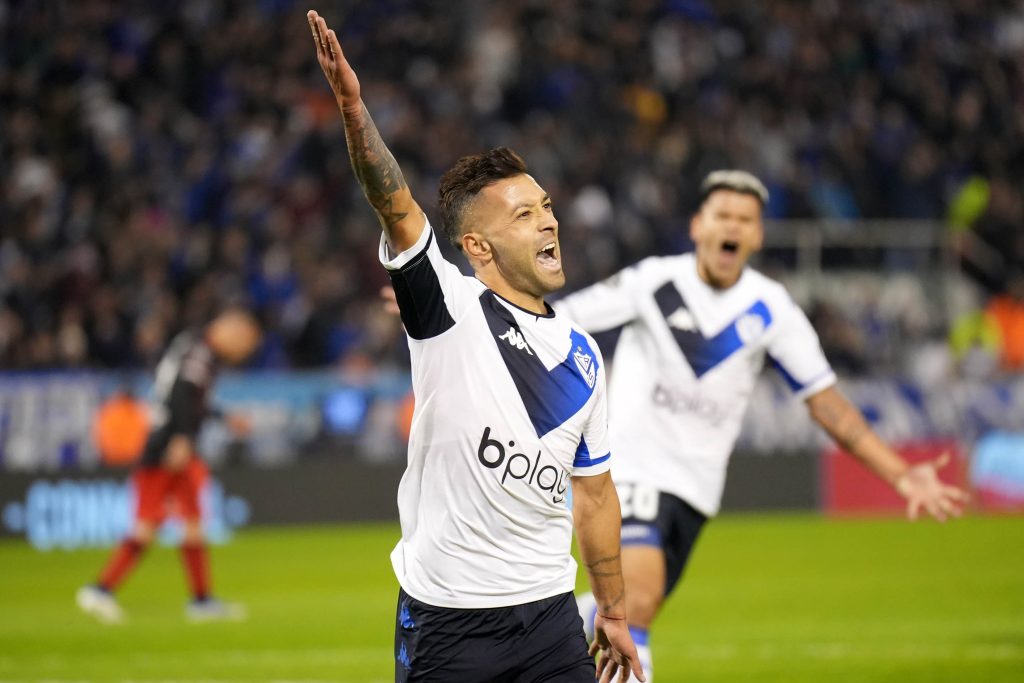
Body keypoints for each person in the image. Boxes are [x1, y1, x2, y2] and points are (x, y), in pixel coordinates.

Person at [306, 10, 643, 683]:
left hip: (550, 619)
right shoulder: (451, 309)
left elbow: (596, 494)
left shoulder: (582, 354)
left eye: (546, 206)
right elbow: (395, 204)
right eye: (524, 215)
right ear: (478, 247)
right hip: (447, 623)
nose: (548, 222)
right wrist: (352, 107)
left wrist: (612, 609)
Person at [558, 170, 971, 682]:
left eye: (745, 219)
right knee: (634, 604)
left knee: (623, 606)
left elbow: (826, 403)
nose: (732, 226)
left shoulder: (771, 308)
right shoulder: (653, 281)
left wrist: (901, 474)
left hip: (695, 491)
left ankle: (550, 633)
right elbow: (560, 318)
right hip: (631, 470)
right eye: (722, 215)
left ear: (756, 235)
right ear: (698, 226)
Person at [76, 308, 261, 623]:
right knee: (147, 526)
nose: (242, 353)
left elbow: (188, 398)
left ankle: (201, 600)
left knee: (192, 522)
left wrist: (223, 418)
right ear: (231, 330)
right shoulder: (200, 352)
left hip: (173, 443)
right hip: (165, 448)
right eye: (244, 345)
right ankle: (99, 590)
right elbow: (180, 395)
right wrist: (182, 438)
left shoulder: (195, 349)